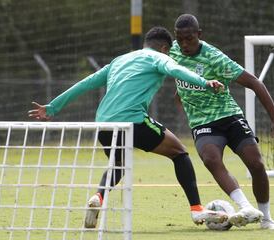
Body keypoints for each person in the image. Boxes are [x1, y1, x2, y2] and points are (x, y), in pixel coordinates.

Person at [28, 26, 227, 228]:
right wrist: (205, 82)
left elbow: (85, 83)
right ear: (165, 48)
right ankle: (196, 210)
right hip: (133, 121)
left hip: (104, 123)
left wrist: (52, 107)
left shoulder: (119, 60)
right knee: (179, 153)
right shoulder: (159, 58)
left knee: (118, 164)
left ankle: (99, 196)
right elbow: (176, 70)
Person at [169, 14, 274, 230]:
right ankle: (245, 207)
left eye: (189, 39)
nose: (184, 44)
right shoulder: (171, 51)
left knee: (257, 165)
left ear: (199, 35)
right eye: (180, 39)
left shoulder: (215, 58)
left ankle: (267, 218)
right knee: (210, 159)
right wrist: (183, 104)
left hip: (229, 116)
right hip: (203, 123)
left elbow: (254, 83)